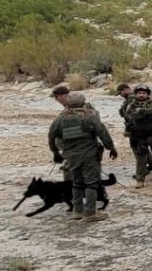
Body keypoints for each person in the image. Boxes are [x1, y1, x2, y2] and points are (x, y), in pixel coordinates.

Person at [48, 93, 118, 221]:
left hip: (70, 156)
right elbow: (103, 133)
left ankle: (78, 211)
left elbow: (51, 136)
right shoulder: (89, 116)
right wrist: (111, 148)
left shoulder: (60, 119)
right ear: (83, 103)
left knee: (76, 183)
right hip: (89, 155)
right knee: (91, 183)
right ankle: (90, 213)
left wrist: (55, 153)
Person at [123, 83, 152, 188]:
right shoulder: (131, 105)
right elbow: (131, 115)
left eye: (143, 93)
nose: (141, 95)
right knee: (141, 159)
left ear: (147, 94)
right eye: (139, 93)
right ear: (136, 94)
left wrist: (143, 111)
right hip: (139, 136)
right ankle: (140, 180)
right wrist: (144, 113)